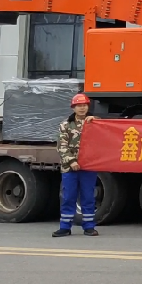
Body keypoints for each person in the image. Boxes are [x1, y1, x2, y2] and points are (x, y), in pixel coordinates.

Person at [53, 93, 99, 237]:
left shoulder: (95, 123)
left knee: (88, 197)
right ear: (73, 108)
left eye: (84, 105)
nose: (82, 108)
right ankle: (65, 227)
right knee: (68, 197)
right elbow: (61, 146)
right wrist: (72, 161)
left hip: (89, 166)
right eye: (79, 106)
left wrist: (97, 120)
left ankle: (89, 227)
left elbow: (106, 135)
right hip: (70, 167)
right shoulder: (66, 125)